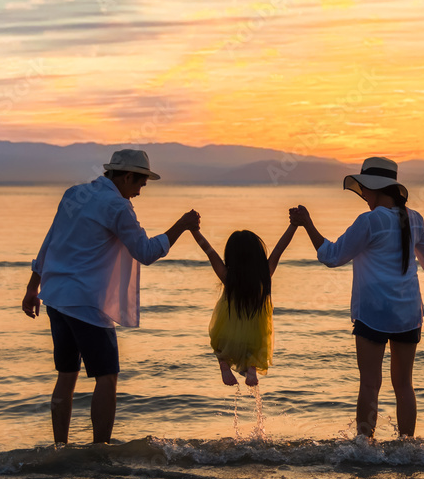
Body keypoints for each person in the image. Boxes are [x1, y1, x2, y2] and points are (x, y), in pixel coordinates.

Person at [22, 149, 200, 444]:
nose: (140, 192)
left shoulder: (74, 194)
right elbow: (145, 252)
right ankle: (100, 450)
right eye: (140, 184)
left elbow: (50, 240)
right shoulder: (117, 207)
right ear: (127, 176)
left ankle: (59, 448)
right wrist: (181, 226)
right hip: (87, 304)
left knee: (66, 375)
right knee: (106, 376)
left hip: (55, 296)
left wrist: (32, 286)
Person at [289, 156, 424, 438]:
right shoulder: (413, 218)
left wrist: (307, 224)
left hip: (374, 313)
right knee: (404, 385)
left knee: (370, 384)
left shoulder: (369, 220)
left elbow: (333, 256)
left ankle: (365, 446)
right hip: (408, 314)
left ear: (377, 189)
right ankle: (407, 445)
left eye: (365, 189)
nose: (363, 195)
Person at [190, 222, 297, 387]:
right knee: (255, 347)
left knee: (218, 346)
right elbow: (279, 249)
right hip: (254, 338)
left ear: (231, 256)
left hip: (226, 334)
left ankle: (223, 364)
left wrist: (194, 230)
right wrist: (294, 225)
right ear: (258, 255)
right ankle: (252, 369)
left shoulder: (228, 278)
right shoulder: (265, 276)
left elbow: (209, 251)